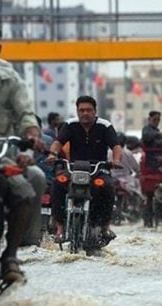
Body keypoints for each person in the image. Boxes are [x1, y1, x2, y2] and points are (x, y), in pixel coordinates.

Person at [0, 23, 47, 280]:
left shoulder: (10, 81)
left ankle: (10, 256)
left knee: (25, 189)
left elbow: (25, 113)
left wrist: (33, 135)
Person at [46, 96, 122, 244]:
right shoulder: (69, 125)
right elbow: (58, 142)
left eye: (88, 110)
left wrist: (116, 160)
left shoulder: (105, 126)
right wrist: (52, 154)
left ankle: (105, 227)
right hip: (73, 168)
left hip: (98, 169)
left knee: (108, 187)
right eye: (81, 110)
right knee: (57, 184)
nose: (85, 113)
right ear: (77, 111)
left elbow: (116, 146)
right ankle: (60, 228)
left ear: (95, 111)